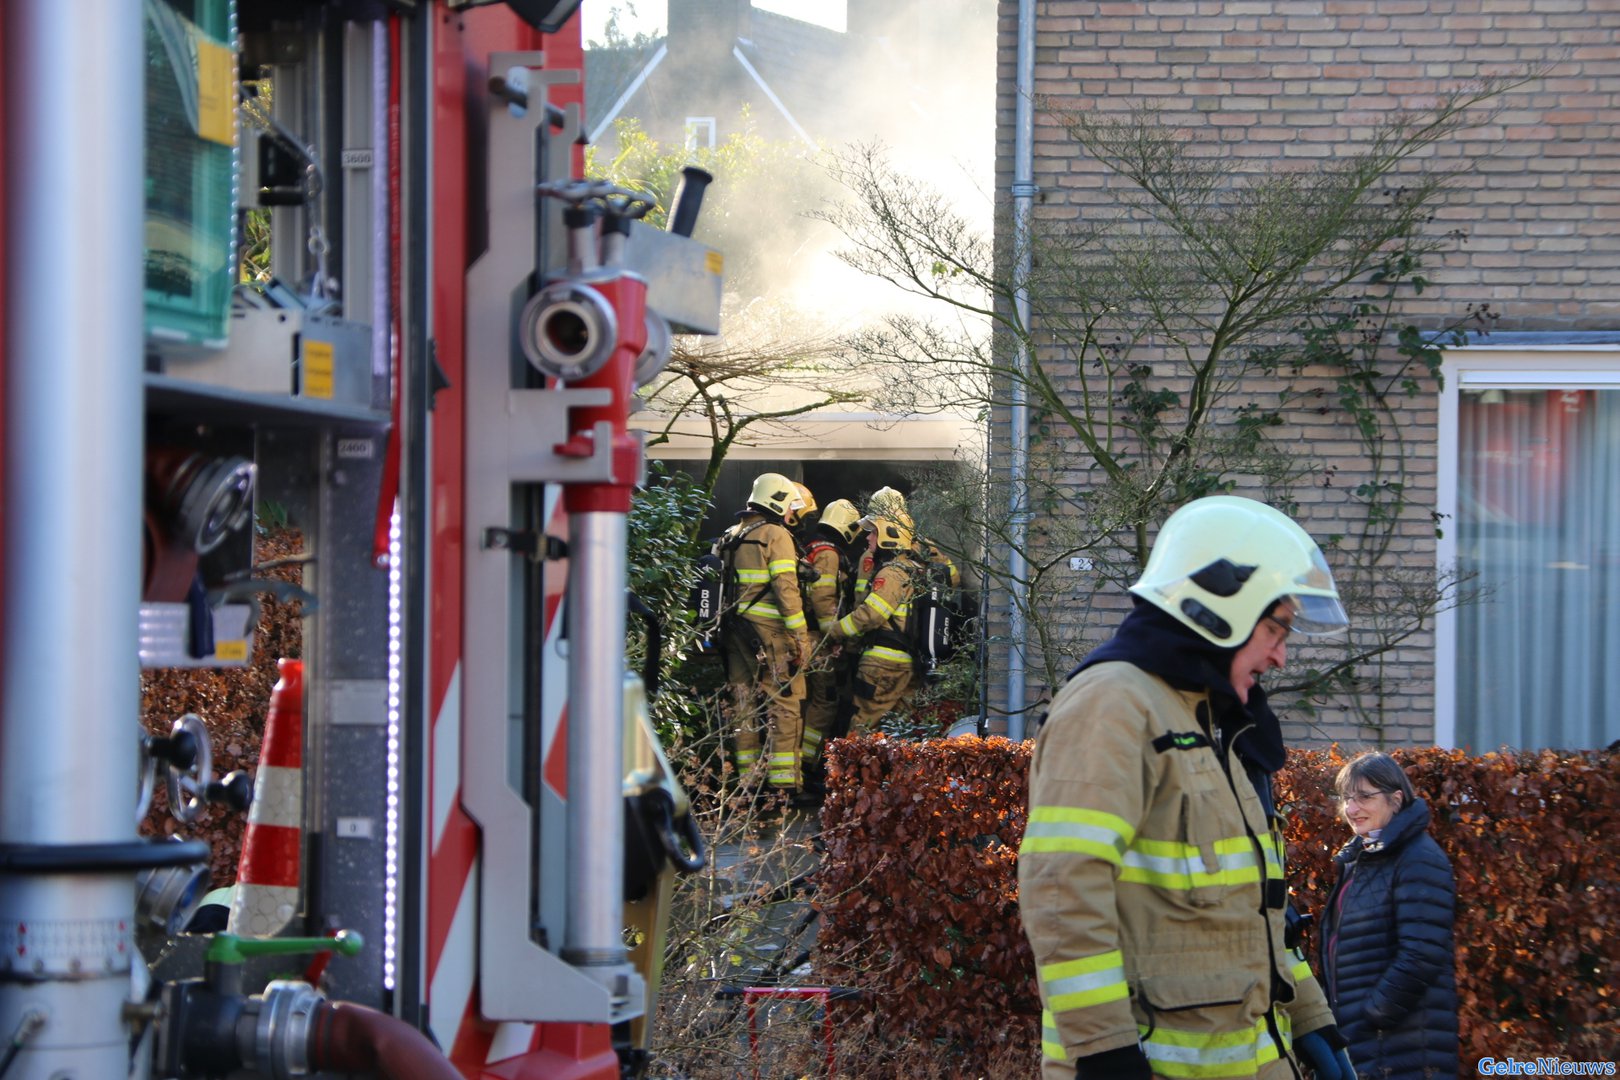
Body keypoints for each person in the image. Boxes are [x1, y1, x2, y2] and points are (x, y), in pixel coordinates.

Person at [1018, 495, 1358, 1080]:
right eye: (1276, 627)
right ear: (1218, 608)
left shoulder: (1211, 724)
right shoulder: (1114, 704)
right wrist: (1105, 1054)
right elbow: (1062, 889)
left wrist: (1310, 1018)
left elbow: (1251, 909)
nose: (1280, 656)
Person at [1318, 752, 1459, 1079]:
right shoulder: (1362, 859)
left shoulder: (1418, 858)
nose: (1352, 809)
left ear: (1396, 800)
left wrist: (1373, 1014)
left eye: (1364, 797)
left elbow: (1422, 954)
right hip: (1368, 1043)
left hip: (1401, 1049)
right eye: (1346, 798)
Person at [719, 472, 812, 798]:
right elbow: (786, 591)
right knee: (785, 705)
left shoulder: (731, 535)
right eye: (789, 506)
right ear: (776, 501)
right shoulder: (775, 534)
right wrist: (802, 638)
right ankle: (784, 786)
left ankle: (749, 783)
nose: (791, 514)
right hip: (770, 637)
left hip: (734, 635)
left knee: (743, 706)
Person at [824, 515, 922, 733]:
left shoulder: (891, 573)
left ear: (890, 537)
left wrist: (834, 632)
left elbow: (871, 615)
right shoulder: (916, 570)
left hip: (881, 667)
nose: (868, 538)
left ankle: (849, 767)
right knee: (898, 733)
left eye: (874, 532)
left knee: (862, 728)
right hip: (908, 665)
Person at [798, 498, 862, 785]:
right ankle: (807, 765)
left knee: (810, 702)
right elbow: (824, 599)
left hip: (808, 637)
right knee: (824, 702)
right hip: (817, 641)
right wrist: (833, 637)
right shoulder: (828, 554)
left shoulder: (812, 547)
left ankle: (802, 763)